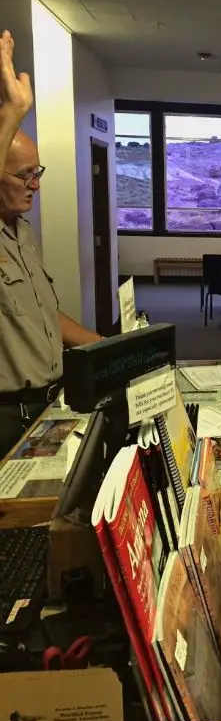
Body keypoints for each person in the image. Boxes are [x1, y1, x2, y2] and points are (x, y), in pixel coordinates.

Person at [0, 30, 102, 458]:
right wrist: (14, 113)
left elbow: (44, 314)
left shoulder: (22, 231)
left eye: (37, 172)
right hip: (7, 415)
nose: (35, 186)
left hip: (46, 406)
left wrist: (109, 346)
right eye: (24, 175)